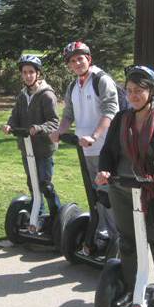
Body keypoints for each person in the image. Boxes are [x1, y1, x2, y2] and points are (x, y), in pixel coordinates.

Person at [96, 65, 154, 307]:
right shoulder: (121, 119)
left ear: (151, 91)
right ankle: (131, 289)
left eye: (138, 90)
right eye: (129, 90)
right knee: (128, 243)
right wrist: (104, 171)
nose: (132, 95)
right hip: (122, 189)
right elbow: (107, 152)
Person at [51, 41, 118, 243]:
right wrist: (59, 131)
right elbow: (68, 114)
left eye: (80, 58)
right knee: (95, 193)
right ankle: (101, 232)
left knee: (108, 194)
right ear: (69, 65)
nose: (77, 63)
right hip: (85, 149)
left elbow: (110, 110)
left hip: (105, 147)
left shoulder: (101, 80)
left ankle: (117, 238)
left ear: (88, 59)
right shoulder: (74, 85)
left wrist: (95, 136)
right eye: (72, 61)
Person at [1, 54, 61, 231]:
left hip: (43, 149)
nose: (28, 75)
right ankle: (39, 216)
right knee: (32, 184)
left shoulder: (47, 95)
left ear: (38, 73)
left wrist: (38, 128)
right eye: (24, 72)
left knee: (45, 185)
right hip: (27, 149)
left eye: (31, 72)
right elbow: (15, 116)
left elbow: (53, 122)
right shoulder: (22, 95)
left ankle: (57, 218)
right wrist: (9, 126)